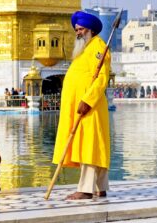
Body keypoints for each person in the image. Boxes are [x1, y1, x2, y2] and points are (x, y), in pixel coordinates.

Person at [52, 11, 111, 200]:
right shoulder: (84, 49)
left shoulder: (99, 47)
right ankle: (100, 187)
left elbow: (102, 77)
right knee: (95, 146)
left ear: (91, 30)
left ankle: (85, 189)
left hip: (89, 106)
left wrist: (87, 100)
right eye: (76, 30)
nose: (77, 32)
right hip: (81, 107)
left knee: (90, 145)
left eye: (81, 29)